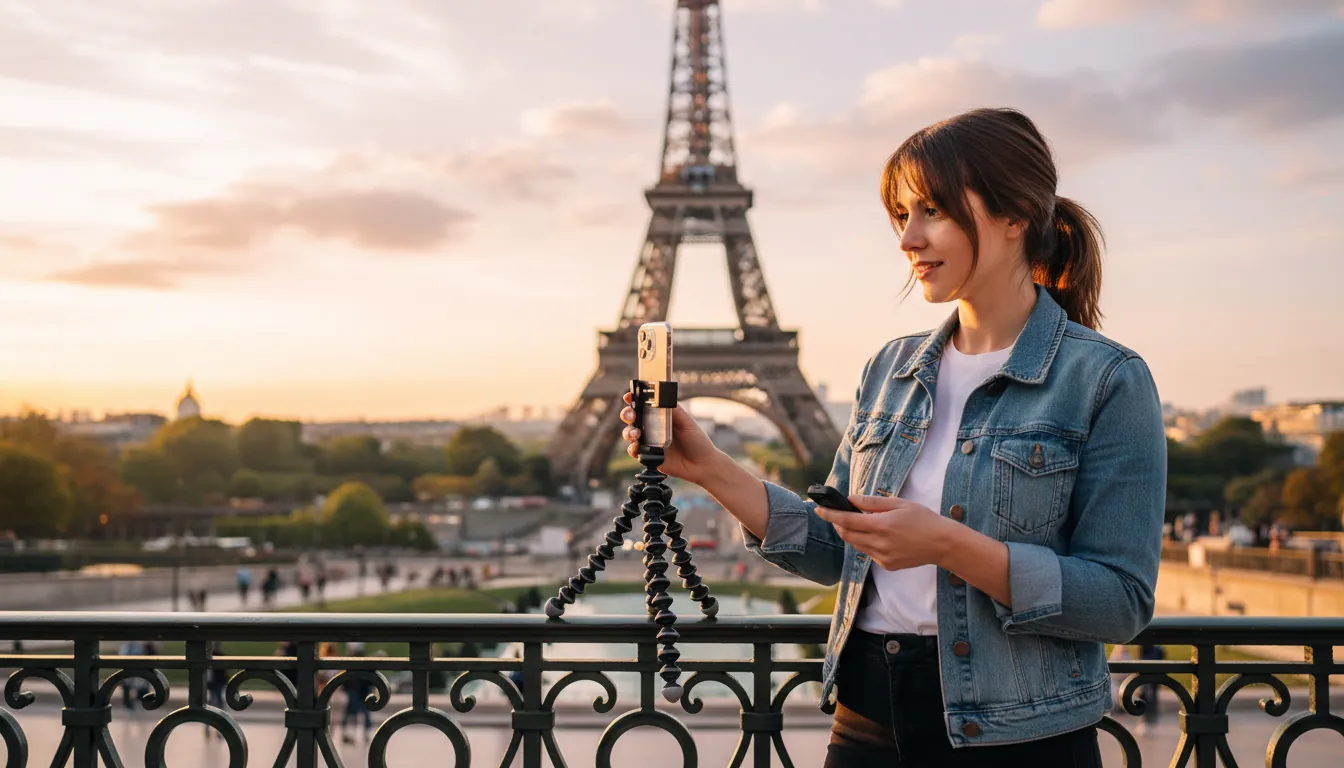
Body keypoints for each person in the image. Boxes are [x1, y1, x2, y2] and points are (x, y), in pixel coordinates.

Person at [619, 108, 1167, 766]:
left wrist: (947, 546)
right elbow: (833, 549)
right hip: (867, 720)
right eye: (900, 215)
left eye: (930, 210)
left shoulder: (1107, 380)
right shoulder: (891, 370)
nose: (908, 239)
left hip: (1017, 737)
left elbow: (1120, 602)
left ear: (1016, 214)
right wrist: (708, 467)